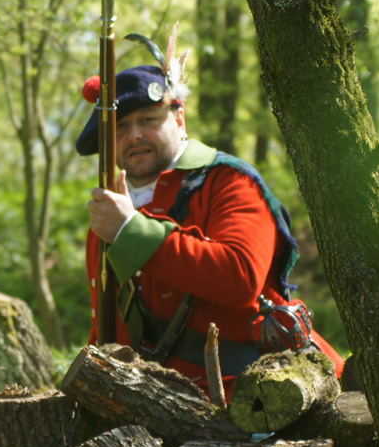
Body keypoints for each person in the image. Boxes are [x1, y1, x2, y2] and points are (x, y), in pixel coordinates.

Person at [79, 37, 342, 397]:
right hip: (155, 407)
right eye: (120, 127)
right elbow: (107, 327)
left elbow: (241, 276)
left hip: (259, 395)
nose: (134, 135)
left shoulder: (228, 180)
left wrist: (131, 231)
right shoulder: (109, 213)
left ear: (179, 118)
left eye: (147, 119)